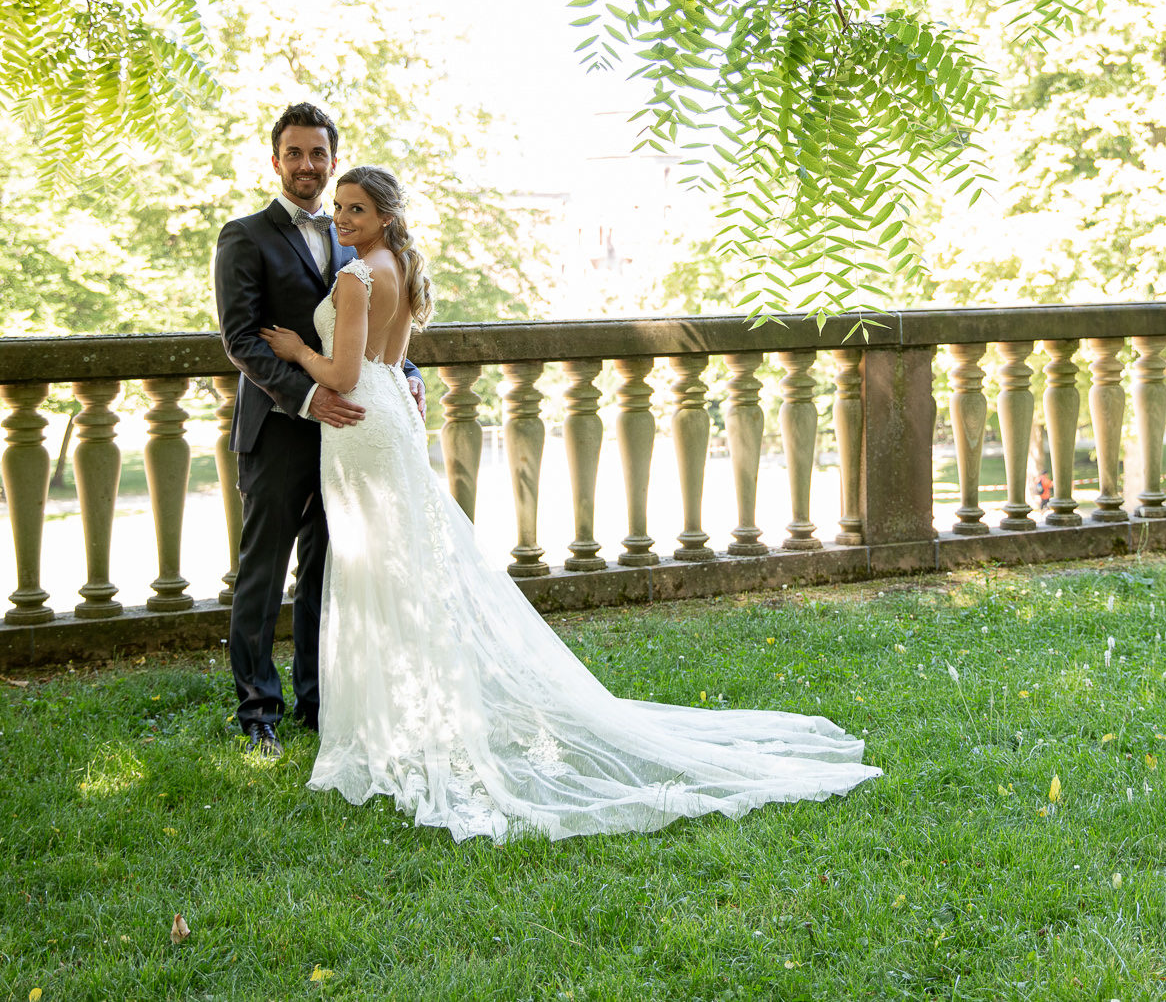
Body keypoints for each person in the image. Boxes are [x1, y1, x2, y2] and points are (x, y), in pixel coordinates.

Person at [257, 165, 880, 842]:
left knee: (379, 569)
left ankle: (391, 729)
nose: (342, 218)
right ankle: (412, 720)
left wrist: (296, 351)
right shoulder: (399, 263)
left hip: (356, 424)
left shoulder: (355, 276)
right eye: (340, 208)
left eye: (355, 208)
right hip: (389, 421)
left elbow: (345, 373)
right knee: (406, 571)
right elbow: (391, 361)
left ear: (382, 215)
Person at [214, 105, 425, 757]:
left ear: (332, 160)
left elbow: (367, 325)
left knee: (329, 571)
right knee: (263, 570)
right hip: (282, 426)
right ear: (276, 160)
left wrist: (406, 371)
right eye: (295, 152)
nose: (307, 164)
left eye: (318, 153)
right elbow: (242, 339)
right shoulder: (243, 236)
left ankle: (317, 699)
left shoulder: (350, 235)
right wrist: (308, 395)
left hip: (350, 436)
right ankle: (257, 711)